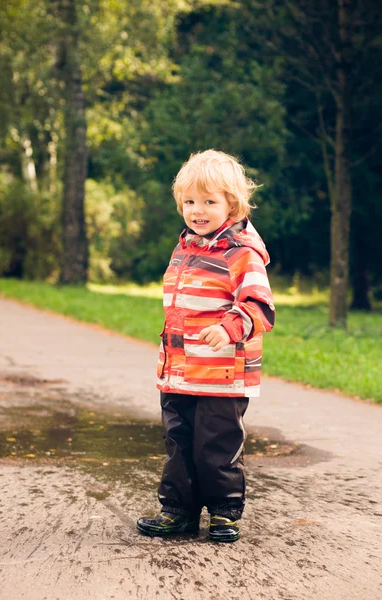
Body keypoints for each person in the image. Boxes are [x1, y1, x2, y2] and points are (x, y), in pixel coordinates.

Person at [137, 149, 275, 542]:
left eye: (209, 202)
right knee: (178, 443)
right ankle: (178, 511)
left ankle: (224, 512)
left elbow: (260, 305)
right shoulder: (185, 247)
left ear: (232, 204)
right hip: (179, 370)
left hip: (221, 373)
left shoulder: (241, 253)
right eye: (190, 202)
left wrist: (231, 326)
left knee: (216, 445)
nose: (198, 210)